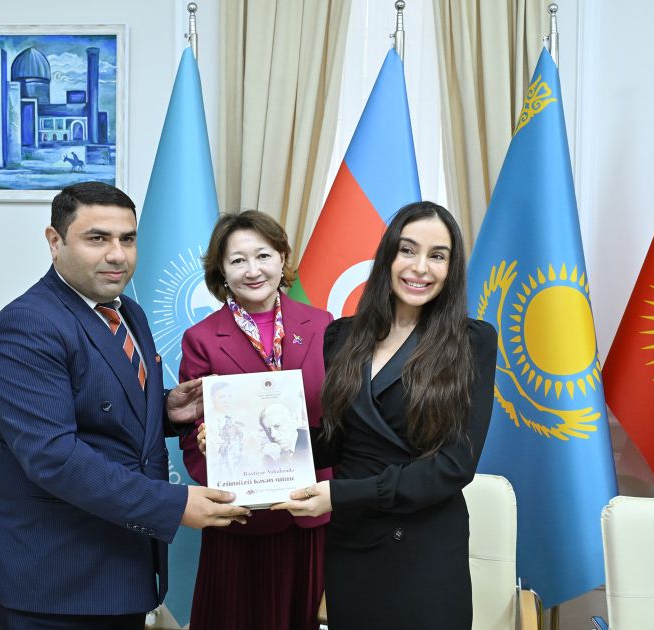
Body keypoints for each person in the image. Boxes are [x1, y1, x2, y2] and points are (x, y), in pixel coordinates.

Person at [0, 181, 250, 630]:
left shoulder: (128, 313)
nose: (118, 255)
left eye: (128, 239)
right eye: (97, 238)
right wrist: (173, 505)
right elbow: (54, 457)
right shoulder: (26, 325)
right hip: (57, 579)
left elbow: (100, 413)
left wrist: (167, 411)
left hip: (124, 567)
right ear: (55, 241)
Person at [274, 201, 498, 629]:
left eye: (437, 255)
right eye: (407, 250)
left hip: (425, 552)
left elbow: (454, 466)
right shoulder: (342, 335)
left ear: (452, 268)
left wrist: (341, 495)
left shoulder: (472, 342)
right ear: (388, 256)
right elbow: (339, 441)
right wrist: (257, 441)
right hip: (353, 545)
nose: (420, 267)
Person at [179, 210, 333, 630]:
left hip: (308, 513)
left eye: (263, 255)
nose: (253, 270)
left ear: (282, 259)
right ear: (221, 271)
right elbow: (191, 432)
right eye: (238, 260)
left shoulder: (323, 325)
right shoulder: (201, 339)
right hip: (240, 519)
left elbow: (339, 415)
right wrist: (210, 447)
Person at [258, 402, 310, 469]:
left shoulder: (309, 443)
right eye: (268, 430)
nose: (273, 435)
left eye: (277, 426)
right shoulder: (272, 452)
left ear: (293, 423)